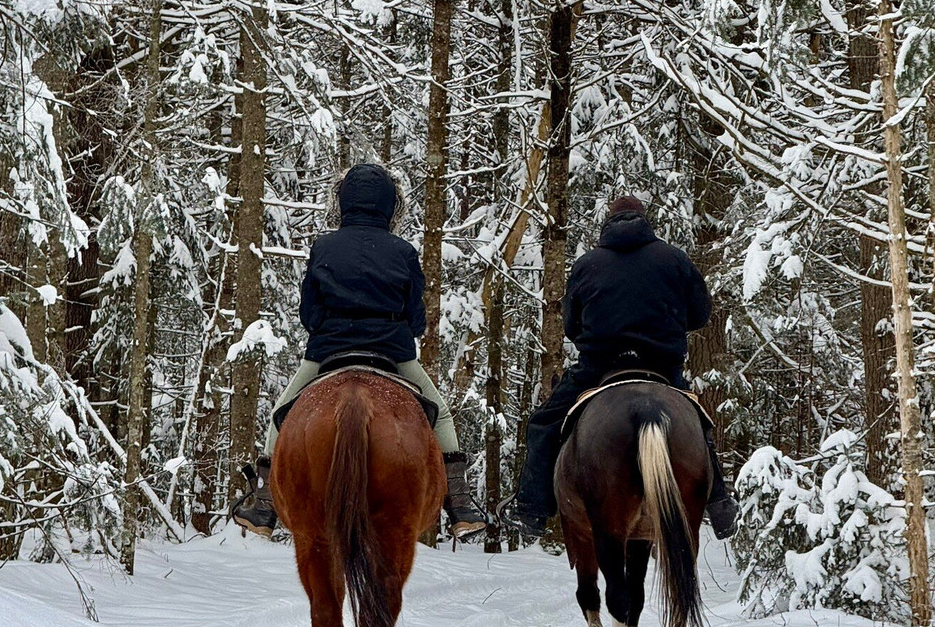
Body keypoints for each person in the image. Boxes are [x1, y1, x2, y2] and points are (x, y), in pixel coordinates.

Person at [231, 163, 486, 538]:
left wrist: (334, 326)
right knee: (441, 414)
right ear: (389, 205)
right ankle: (460, 505)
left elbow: (310, 313)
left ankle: (264, 508)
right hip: (394, 353)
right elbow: (416, 317)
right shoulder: (403, 250)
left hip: (328, 352)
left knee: (280, 414)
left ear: (344, 202)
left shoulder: (324, 246)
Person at [499, 196, 741, 540]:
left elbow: (572, 325)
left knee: (544, 422)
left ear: (607, 223)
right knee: (697, 421)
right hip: (661, 365)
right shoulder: (674, 258)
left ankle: (532, 510)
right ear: (646, 221)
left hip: (600, 367)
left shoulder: (588, 264)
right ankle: (720, 507)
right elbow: (700, 315)